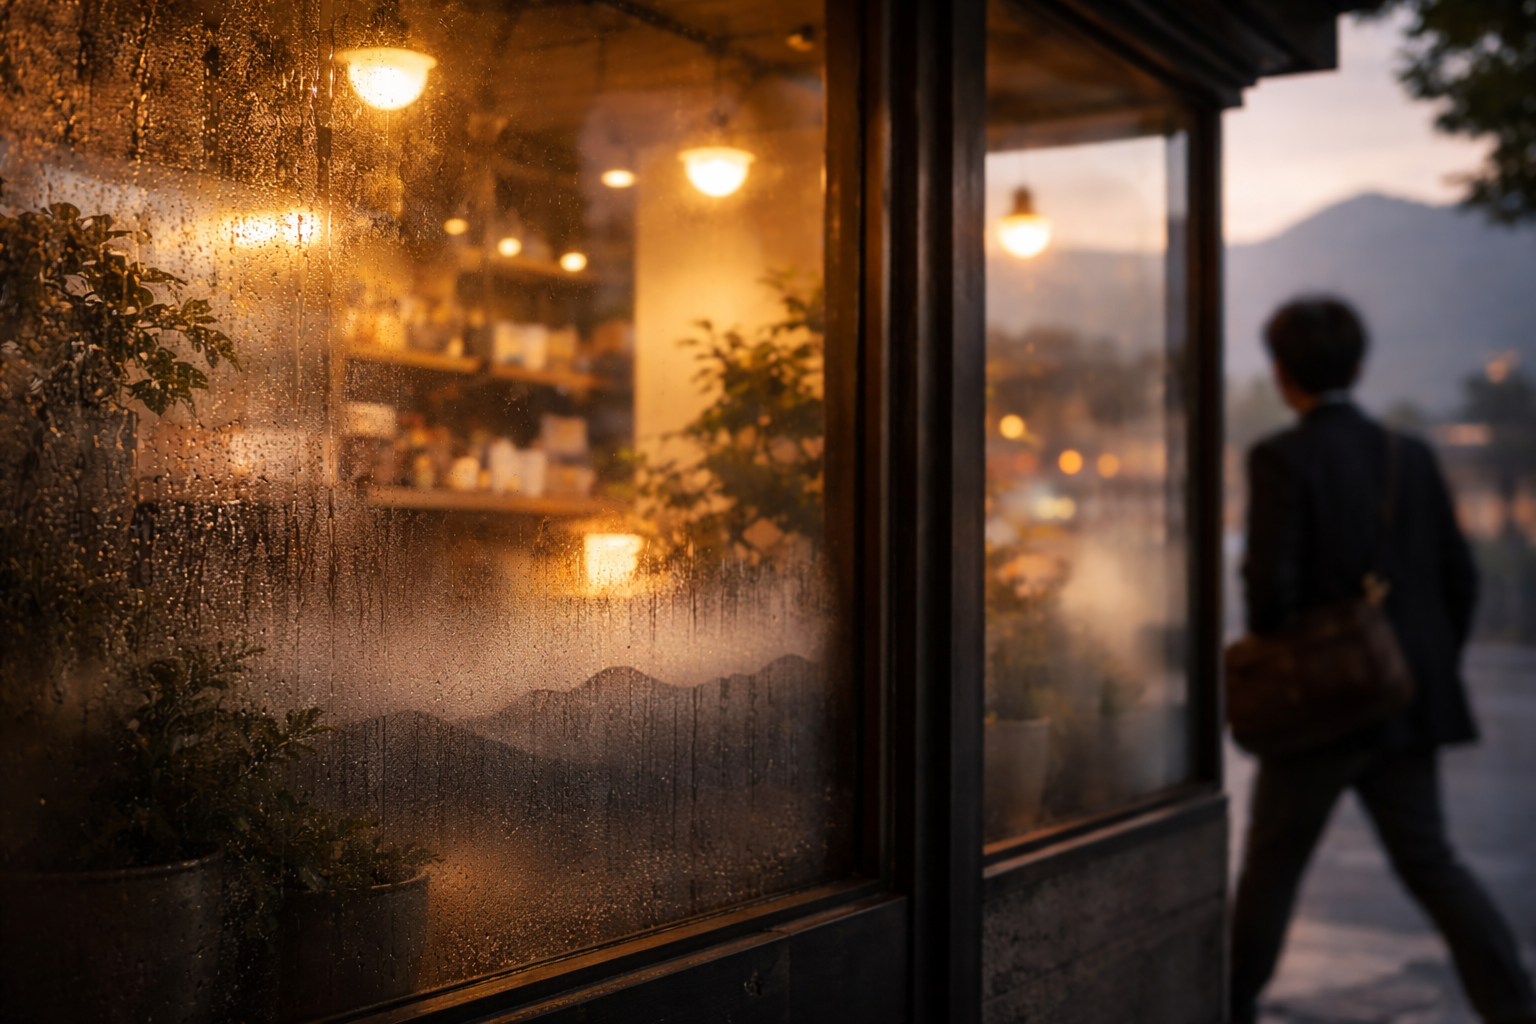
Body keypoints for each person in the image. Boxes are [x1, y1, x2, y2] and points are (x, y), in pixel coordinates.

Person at [1231, 297, 1536, 1024]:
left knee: (1274, 868)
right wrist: (1409, 666)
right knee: (1432, 861)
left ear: (1280, 373)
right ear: (1360, 367)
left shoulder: (1281, 457)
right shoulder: (1412, 456)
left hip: (1317, 710)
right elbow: (1461, 580)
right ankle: (1513, 1007)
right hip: (1403, 703)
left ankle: (1229, 1005)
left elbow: (1270, 594)